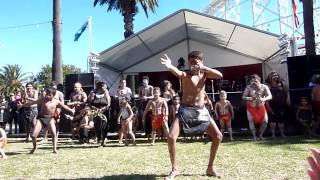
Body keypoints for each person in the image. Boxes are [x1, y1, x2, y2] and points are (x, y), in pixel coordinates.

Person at [160, 51, 223, 179]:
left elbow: (220, 75)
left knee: (217, 136)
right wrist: (170, 66)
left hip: (201, 110)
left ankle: (210, 168)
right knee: (171, 137)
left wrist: (204, 68)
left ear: (201, 62)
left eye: (196, 62)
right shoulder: (186, 74)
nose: (193, 65)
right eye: (191, 62)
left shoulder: (205, 73)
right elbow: (178, 73)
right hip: (185, 109)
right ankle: (174, 169)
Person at [18, 88, 74, 154]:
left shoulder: (56, 101)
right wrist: (22, 105)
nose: (47, 96)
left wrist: (71, 110)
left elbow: (64, 106)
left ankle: (54, 149)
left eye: (49, 95)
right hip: (41, 118)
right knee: (33, 135)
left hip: (50, 118)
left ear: (53, 95)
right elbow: (32, 103)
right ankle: (34, 147)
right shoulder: (43, 100)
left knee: (53, 134)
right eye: (47, 94)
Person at [242, 74, 272, 141]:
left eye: (256, 80)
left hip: (261, 107)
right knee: (251, 121)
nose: (254, 82)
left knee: (265, 122)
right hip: (251, 108)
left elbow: (270, 96)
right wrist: (251, 98)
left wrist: (264, 99)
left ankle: (260, 135)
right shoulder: (248, 87)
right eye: (253, 80)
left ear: (259, 80)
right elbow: (243, 97)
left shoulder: (264, 87)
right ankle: (254, 136)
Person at [265, 71, 289, 138]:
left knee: (281, 120)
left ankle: (282, 134)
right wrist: (268, 106)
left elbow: (286, 92)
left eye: (276, 75)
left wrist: (287, 99)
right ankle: (273, 134)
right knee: (272, 120)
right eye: (273, 75)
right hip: (271, 104)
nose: (275, 76)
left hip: (281, 104)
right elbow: (265, 96)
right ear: (270, 77)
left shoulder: (282, 84)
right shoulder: (267, 85)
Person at [88, 81, 110, 146]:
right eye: (103, 86)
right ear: (99, 86)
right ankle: (98, 138)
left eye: (105, 87)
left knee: (104, 125)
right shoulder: (94, 92)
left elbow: (108, 104)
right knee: (97, 126)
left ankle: (103, 139)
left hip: (105, 111)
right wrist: (95, 109)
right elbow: (90, 103)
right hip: (96, 111)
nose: (104, 88)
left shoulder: (106, 92)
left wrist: (103, 109)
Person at [114, 79, 132, 144]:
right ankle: (120, 139)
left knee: (128, 124)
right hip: (120, 107)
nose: (123, 83)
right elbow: (115, 97)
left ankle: (130, 139)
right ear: (120, 83)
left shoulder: (128, 89)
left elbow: (129, 97)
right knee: (120, 124)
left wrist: (122, 95)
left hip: (127, 107)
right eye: (122, 82)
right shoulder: (118, 90)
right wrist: (118, 95)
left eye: (124, 82)